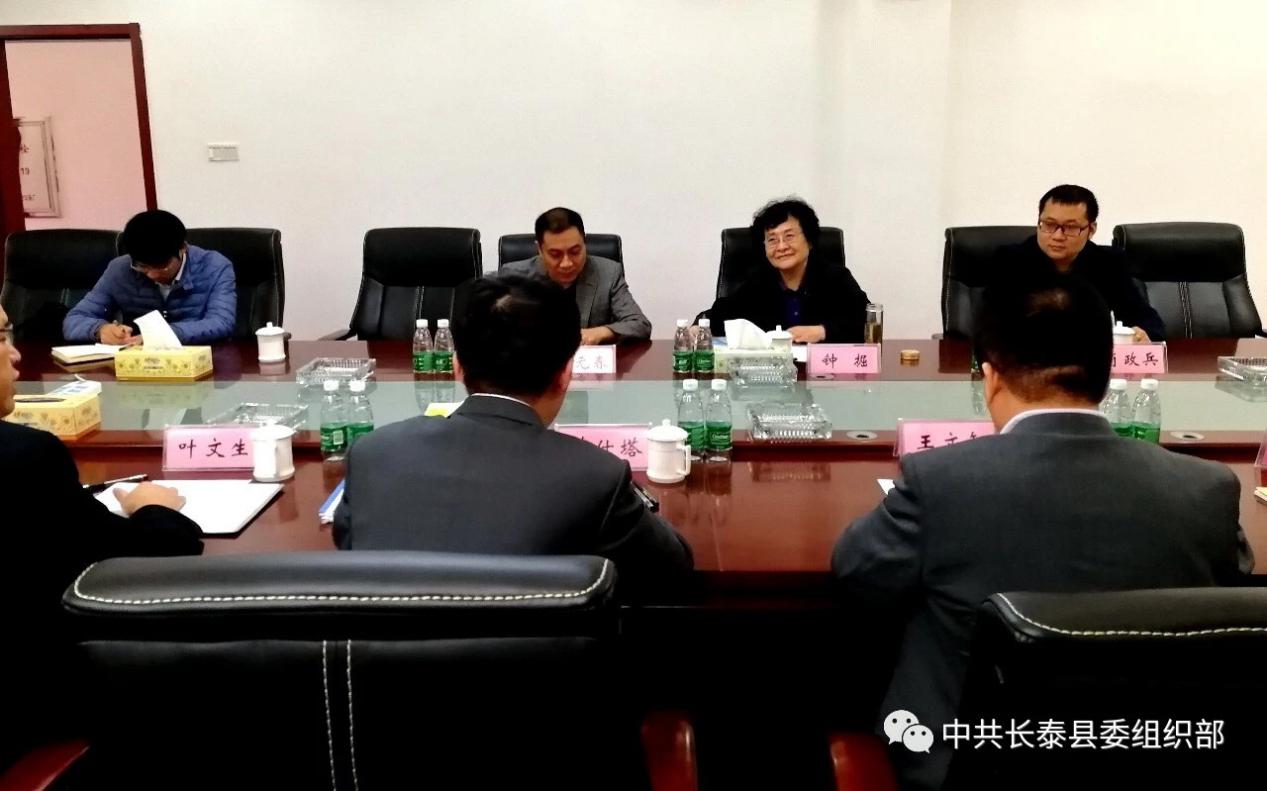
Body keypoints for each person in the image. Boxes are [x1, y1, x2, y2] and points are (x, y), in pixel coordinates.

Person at [831, 273, 1250, 791]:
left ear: (990, 378)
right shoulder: (1207, 490)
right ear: (1106, 375)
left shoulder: (940, 482)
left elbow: (855, 572)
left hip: (961, 769)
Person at [334, 273, 692, 594]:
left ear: (457, 367)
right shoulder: (596, 477)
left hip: (387, 651)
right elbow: (673, 570)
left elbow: (349, 545)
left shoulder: (371, 454)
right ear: (565, 374)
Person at [0, 305, 203, 771]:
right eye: (2, 337)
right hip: (30, 712)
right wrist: (153, 507)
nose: (16, 355)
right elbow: (141, 565)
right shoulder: (23, 458)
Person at [992, 184, 1165, 341]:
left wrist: (1143, 334)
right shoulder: (1011, 261)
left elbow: (1146, 320)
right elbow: (991, 325)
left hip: (1092, 359)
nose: (1057, 236)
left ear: (1091, 230)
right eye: (1049, 224)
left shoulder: (1108, 263)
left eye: (1070, 227)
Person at [703, 198, 871, 343]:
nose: (781, 246)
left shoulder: (836, 278)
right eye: (772, 240)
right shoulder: (759, 280)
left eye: (789, 236)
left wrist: (821, 332)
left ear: (809, 240)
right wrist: (700, 326)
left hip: (823, 369)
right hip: (772, 370)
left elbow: (867, 322)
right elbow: (721, 314)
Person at [63, 210, 236, 345]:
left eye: (161, 266)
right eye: (142, 266)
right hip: (137, 363)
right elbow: (74, 319)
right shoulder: (119, 269)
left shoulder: (214, 266)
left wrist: (160, 335)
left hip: (202, 362)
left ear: (183, 248)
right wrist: (100, 330)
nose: (152, 274)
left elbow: (221, 322)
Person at [501, 207, 652, 344]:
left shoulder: (608, 272)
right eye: (555, 254)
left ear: (585, 244)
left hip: (587, 363)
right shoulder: (514, 276)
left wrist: (601, 332)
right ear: (540, 249)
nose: (566, 263)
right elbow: (495, 331)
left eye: (575, 252)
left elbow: (640, 324)